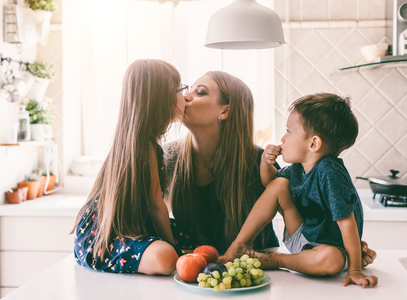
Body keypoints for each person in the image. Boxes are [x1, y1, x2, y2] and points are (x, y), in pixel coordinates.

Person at [220, 93, 378, 288]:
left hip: (330, 249)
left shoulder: (330, 172)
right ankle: (240, 244)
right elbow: (271, 185)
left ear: (313, 144)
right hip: (303, 237)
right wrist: (265, 163)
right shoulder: (298, 167)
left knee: (332, 259)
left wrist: (354, 269)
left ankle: (277, 260)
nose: (282, 138)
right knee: (279, 184)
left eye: (288, 131)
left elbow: (347, 223)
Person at [72, 59, 187, 275]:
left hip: (128, 228)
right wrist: (177, 251)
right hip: (102, 237)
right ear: (163, 100)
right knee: (166, 257)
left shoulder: (136, 142)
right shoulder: (145, 146)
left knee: (195, 236)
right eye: (181, 89)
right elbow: (156, 207)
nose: (186, 96)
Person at [165, 71, 280, 254]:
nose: (186, 98)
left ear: (225, 111)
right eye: (188, 90)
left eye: (200, 92)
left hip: (258, 269)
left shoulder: (259, 162)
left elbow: (297, 224)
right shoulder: (168, 156)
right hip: (196, 271)